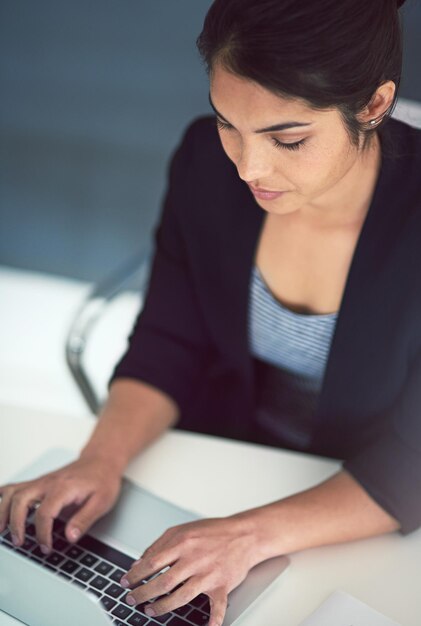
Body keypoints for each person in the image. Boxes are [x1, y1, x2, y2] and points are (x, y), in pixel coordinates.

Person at [1, 0, 420, 624]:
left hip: (354, 504)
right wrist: (101, 458)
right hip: (212, 463)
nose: (249, 168)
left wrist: (246, 536)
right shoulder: (204, 161)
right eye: (230, 124)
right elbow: (170, 341)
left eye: (288, 139)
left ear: (373, 105)